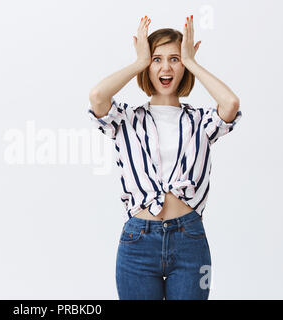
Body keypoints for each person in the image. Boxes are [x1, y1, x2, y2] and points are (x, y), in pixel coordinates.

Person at [87, 15, 242, 300]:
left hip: (190, 242)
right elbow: (97, 96)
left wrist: (193, 61)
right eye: (157, 59)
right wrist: (138, 63)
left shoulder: (201, 121)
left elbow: (230, 104)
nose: (166, 67)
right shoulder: (126, 119)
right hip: (137, 243)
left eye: (175, 59)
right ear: (148, 65)